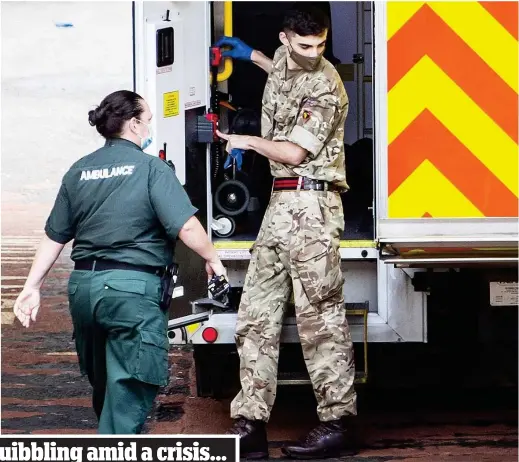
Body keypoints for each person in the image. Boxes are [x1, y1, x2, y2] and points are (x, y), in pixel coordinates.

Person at [13, 90, 227, 434]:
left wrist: (32, 286)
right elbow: (186, 225)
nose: (149, 128)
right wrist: (212, 259)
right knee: (128, 390)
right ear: (133, 123)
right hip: (132, 293)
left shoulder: (78, 171)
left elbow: (55, 236)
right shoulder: (151, 169)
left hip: (84, 292)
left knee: (108, 386)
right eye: (148, 121)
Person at [214, 5, 357, 460]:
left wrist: (246, 140)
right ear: (285, 39)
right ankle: (250, 423)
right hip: (281, 205)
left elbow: (295, 152)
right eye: (304, 46)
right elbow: (281, 68)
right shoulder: (285, 58)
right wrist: (251, 55)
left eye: (320, 45)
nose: (314, 54)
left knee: (321, 321)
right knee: (256, 315)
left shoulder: (325, 83)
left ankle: (337, 424)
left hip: (312, 204)